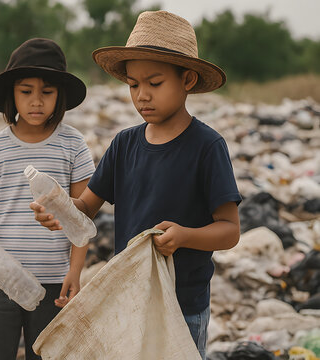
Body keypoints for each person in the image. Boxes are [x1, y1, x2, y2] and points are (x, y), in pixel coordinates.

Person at [30, 11, 242, 359]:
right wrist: (59, 210)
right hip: (128, 302)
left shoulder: (206, 147)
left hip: (182, 305)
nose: (142, 95)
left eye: (154, 83)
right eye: (133, 85)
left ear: (187, 79)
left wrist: (185, 236)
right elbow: (85, 208)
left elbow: (230, 230)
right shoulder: (125, 144)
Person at [0, 38, 95, 360]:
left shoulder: (73, 144)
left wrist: (75, 272)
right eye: (26, 92)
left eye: (47, 92)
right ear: (12, 93)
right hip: (1, 276)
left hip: (55, 281)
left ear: (60, 96)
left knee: (50, 354)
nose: (36, 101)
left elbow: (83, 218)